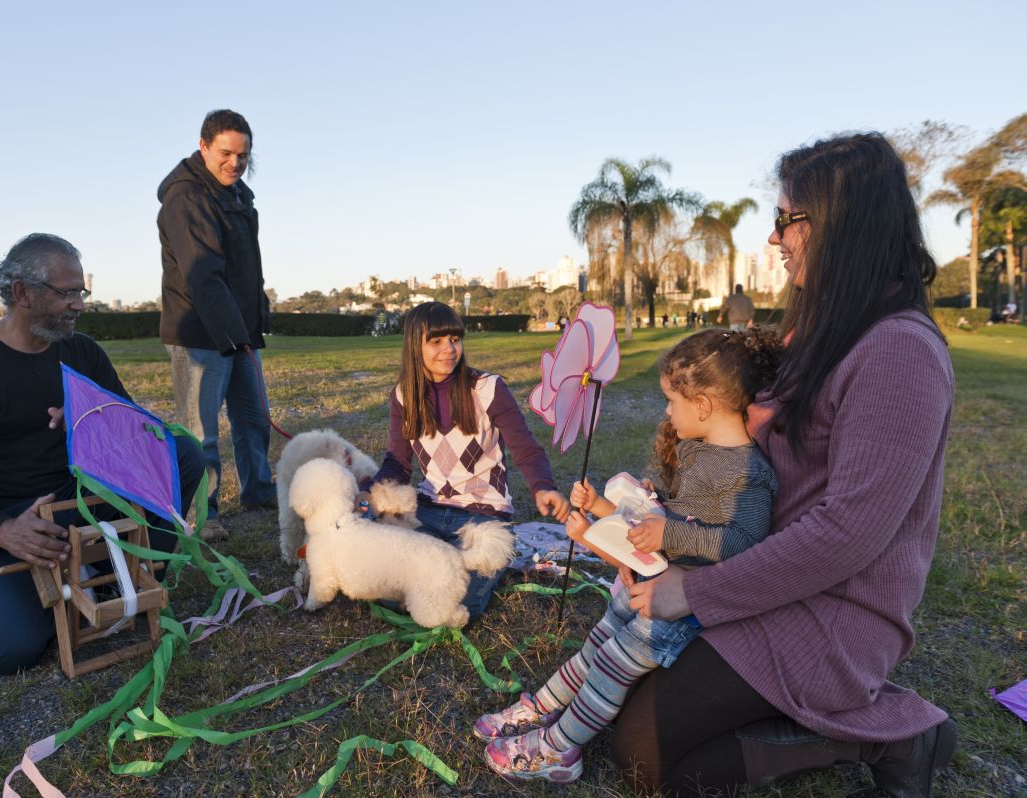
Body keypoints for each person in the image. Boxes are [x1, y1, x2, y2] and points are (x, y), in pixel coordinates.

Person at [609, 133, 957, 797]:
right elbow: (759, 464)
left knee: (643, 757)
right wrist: (677, 512)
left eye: (786, 220)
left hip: (833, 615)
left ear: (841, 224)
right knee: (620, 700)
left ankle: (891, 738)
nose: (775, 239)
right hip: (763, 578)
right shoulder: (817, 332)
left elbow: (847, 535)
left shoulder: (900, 354)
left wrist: (697, 592)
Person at [476, 327, 782, 784]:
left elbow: (744, 543)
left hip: (679, 611)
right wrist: (617, 509)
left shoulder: (749, 472)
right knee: (596, 648)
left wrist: (671, 532)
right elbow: (671, 519)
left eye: (672, 401)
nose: (666, 410)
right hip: (647, 586)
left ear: (702, 405)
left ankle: (560, 749)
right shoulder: (698, 449)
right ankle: (540, 707)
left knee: (612, 667)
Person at [0, 234, 204, 674]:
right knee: (13, 650)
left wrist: (94, 417)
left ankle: (125, 574)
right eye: (66, 293)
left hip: (83, 499)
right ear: (21, 293)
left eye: (80, 292)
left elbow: (142, 432)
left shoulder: (82, 352)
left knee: (180, 454)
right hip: (17, 518)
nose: (79, 305)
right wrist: (2, 529)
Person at [361, 301, 571, 620]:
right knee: (380, 585)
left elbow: (526, 448)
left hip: (484, 516)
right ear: (414, 347)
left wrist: (542, 487)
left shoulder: (488, 389)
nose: (449, 349)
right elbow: (398, 463)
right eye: (436, 341)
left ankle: (477, 569)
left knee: (460, 607)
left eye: (455, 339)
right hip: (429, 510)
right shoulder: (404, 396)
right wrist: (370, 494)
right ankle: (438, 569)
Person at [158, 109, 276, 518]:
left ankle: (260, 490)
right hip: (199, 333)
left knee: (255, 420)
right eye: (226, 153)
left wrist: (254, 323)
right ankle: (200, 515)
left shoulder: (240, 195)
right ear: (203, 146)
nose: (236, 163)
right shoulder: (186, 197)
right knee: (201, 434)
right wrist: (233, 335)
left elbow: (247, 272)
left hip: (239, 332)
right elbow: (202, 275)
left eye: (243, 156)